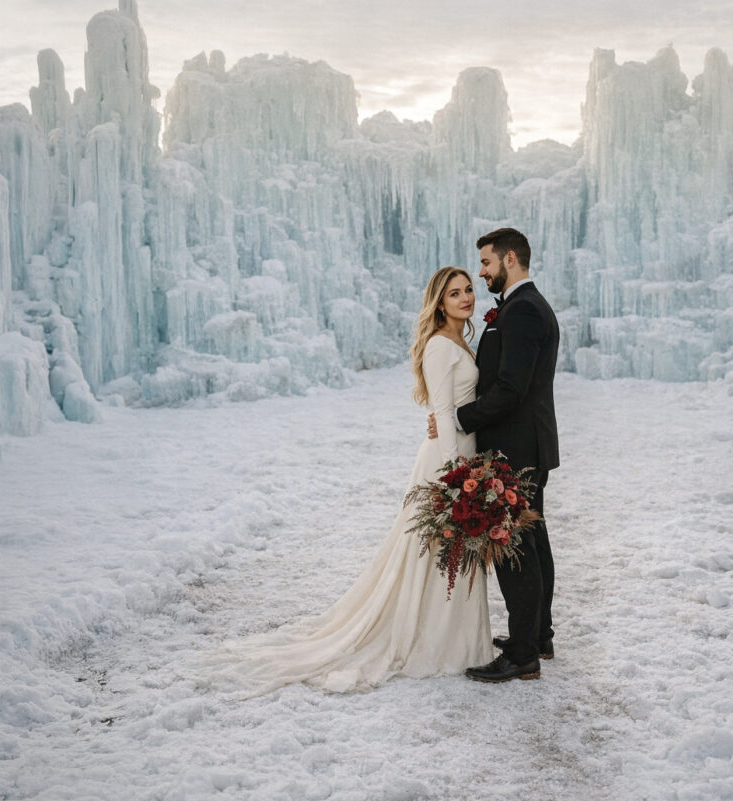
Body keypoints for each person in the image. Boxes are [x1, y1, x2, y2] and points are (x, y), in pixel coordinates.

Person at [213, 267, 492, 696]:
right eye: (454, 293)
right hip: (446, 464)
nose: (465, 298)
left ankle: (459, 640)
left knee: (453, 554)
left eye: (468, 290)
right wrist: (454, 478)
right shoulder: (439, 346)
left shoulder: (460, 341)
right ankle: (436, 644)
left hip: (463, 458)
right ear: (439, 303)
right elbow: (440, 412)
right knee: (435, 555)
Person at [429, 227, 559, 684]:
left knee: (516, 549)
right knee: (533, 541)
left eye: (485, 263)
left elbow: (510, 389)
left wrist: (460, 418)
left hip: (515, 449)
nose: (481, 271)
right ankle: (537, 634)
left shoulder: (522, 311)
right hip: (526, 444)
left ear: (508, 259)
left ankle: (523, 653)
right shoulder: (523, 306)